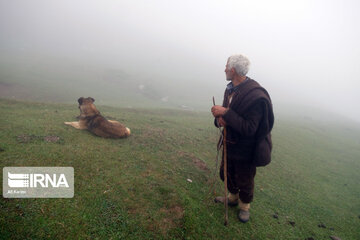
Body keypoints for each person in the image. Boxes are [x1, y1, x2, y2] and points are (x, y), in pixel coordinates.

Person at [211, 54, 274, 223]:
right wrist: (219, 119)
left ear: (232, 70)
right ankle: (232, 198)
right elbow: (227, 114)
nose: (224, 69)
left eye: (226, 66)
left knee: (245, 179)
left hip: (246, 149)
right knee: (228, 173)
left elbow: (250, 128)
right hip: (229, 143)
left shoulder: (256, 96)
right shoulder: (230, 88)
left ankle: (244, 206)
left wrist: (225, 113)